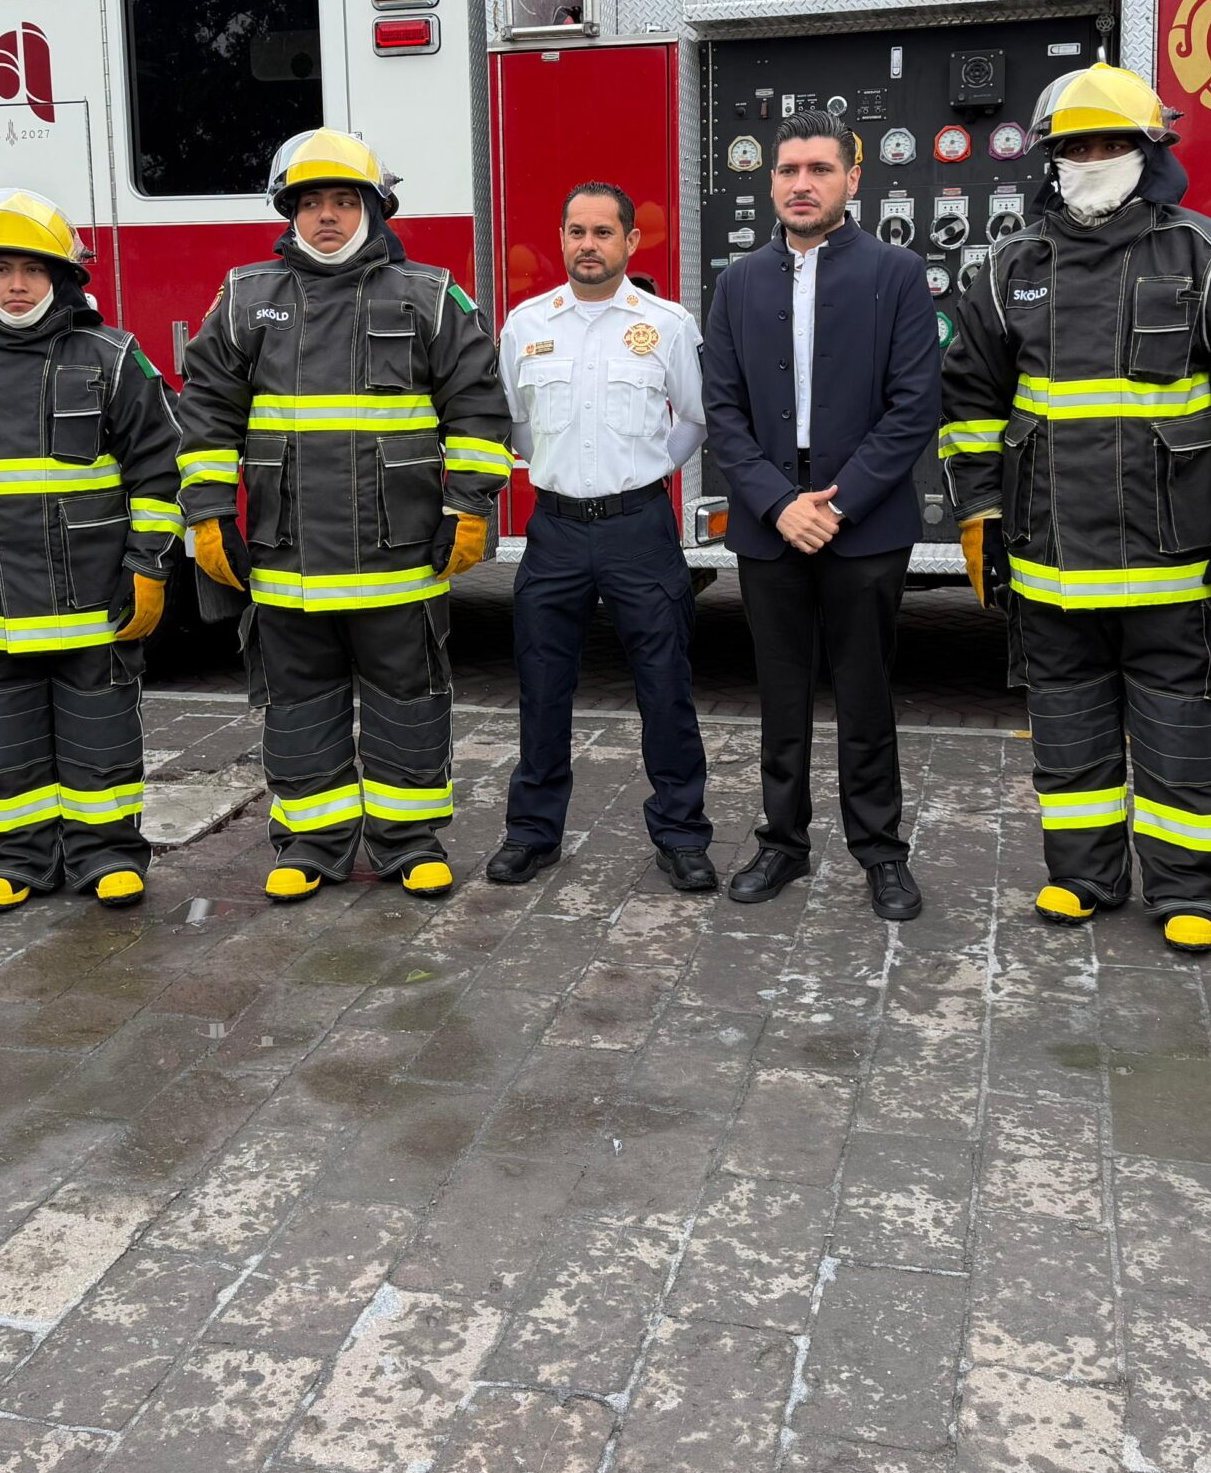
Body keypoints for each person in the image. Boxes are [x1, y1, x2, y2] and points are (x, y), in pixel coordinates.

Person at [939, 64, 1211, 951]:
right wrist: (979, 512)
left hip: (1177, 562)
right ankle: (1082, 874)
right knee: (1067, 730)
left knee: (1183, 732)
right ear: (1050, 161)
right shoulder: (1008, 269)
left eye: (1110, 145)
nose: (1091, 160)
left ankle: (1189, 890)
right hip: (1049, 561)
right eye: (1075, 148)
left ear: (1150, 152)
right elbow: (971, 403)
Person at [177, 129, 512, 902]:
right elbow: (205, 413)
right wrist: (207, 513)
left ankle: (409, 843)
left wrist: (468, 507)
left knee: (409, 702)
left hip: (399, 557)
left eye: (343, 201)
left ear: (374, 209)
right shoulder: (246, 299)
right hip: (286, 558)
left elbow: (477, 408)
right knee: (298, 707)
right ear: (289, 212)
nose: (326, 216)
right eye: (310, 203)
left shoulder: (429, 296)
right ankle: (311, 844)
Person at [0, 192, 182, 914]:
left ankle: (108, 855)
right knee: (6, 739)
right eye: (1, 270)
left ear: (63, 278)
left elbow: (158, 470)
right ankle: (17, 860)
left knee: (101, 734)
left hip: (93, 594)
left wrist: (148, 565)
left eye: (32, 270)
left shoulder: (112, 358)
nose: (16, 285)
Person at [702, 110, 937, 921]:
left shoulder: (897, 274)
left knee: (866, 692)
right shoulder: (738, 283)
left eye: (820, 170)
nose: (802, 184)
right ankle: (783, 843)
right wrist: (777, 504)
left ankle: (880, 851)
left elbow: (914, 405)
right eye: (789, 170)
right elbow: (723, 410)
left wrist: (836, 503)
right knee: (780, 693)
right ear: (771, 181)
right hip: (771, 519)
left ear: (852, 180)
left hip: (861, 520)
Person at [494, 181, 714, 892]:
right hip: (554, 530)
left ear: (630, 241)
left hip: (639, 530)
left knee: (665, 687)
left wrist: (647, 471)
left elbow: (696, 417)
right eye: (576, 232)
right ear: (561, 239)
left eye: (603, 232)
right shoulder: (526, 324)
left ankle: (682, 835)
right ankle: (532, 834)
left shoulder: (668, 324)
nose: (588, 245)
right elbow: (516, 423)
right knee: (542, 687)